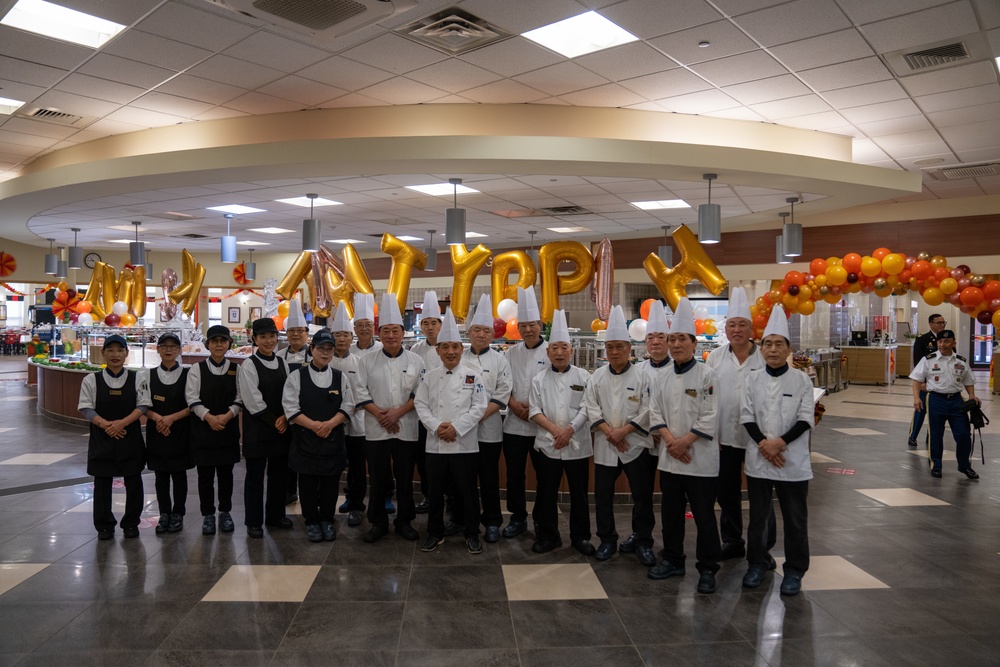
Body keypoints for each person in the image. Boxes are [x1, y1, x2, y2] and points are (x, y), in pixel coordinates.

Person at [647, 298, 721, 593]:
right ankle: (674, 559)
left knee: (703, 516)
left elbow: (711, 414)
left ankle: (708, 568)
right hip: (670, 458)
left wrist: (685, 442)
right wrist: (670, 441)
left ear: (694, 343)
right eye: (672, 339)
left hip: (699, 459)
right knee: (671, 513)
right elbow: (655, 411)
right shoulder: (661, 375)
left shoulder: (707, 375)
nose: (676, 344)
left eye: (682, 339)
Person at [740, 305, 815, 596]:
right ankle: (757, 563)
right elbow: (746, 417)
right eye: (767, 344)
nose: (772, 349)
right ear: (761, 349)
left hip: (792, 460)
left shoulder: (801, 380)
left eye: (778, 344)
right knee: (759, 516)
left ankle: (795, 570)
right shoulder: (752, 379)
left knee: (795, 518)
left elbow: (805, 419)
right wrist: (765, 445)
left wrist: (778, 444)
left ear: (788, 349)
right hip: (759, 460)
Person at [705, 287, 775, 561]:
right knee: (727, 494)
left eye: (742, 324)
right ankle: (732, 541)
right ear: (725, 328)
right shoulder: (715, 358)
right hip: (724, 439)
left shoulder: (765, 356)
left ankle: (764, 548)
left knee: (762, 497)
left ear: (751, 328)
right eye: (731, 325)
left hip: (758, 440)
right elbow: (708, 398)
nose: (736, 330)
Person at [583, 305, 655, 565]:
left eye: (620, 347)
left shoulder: (643, 376)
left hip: (635, 444)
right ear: (605, 350)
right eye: (610, 347)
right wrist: (609, 432)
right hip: (605, 446)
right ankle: (607, 539)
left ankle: (643, 540)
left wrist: (624, 430)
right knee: (603, 496)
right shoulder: (597, 377)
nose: (614, 352)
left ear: (629, 349)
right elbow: (591, 407)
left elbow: (649, 408)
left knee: (642, 496)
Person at [415, 309, 489, 554]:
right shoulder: (429, 376)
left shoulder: (473, 375)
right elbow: (420, 404)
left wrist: (456, 428)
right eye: (445, 347)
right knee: (435, 493)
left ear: (461, 348)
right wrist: (437, 427)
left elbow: (479, 406)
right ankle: (435, 533)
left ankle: (471, 533)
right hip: (435, 445)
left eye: (455, 347)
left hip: (464, 444)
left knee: (467, 492)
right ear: (438, 350)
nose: (450, 352)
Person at [354, 292, 424, 543]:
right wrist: (381, 415)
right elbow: (359, 391)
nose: (391, 335)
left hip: (406, 429)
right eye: (386, 331)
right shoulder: (367, 361)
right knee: (379, 478)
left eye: (395, 330)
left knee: (405, 479)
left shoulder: (416, 361)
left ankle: (404, 521)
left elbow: (420, 393)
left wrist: (397, 413)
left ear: (402, 333)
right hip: (375, 429)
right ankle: (378, 522)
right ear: (379, 333)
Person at [529, 309, 595, 556]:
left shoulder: (584, 377)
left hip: (576, 443)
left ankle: (581, 537)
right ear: (547, 352)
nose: (559, 352)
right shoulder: (538, 379)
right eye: (554, 348)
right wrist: (557, 431)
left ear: (572, 350)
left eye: (564, 348)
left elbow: (588, 407)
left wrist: (569, 430)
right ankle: (548, 537)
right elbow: (535, 411)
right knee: (546, 493)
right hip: (548, 444)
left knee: (579, 494)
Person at [283, 328, 353, 542]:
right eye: (321, 348)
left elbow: (349, 404)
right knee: (308, 484)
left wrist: (330, 424)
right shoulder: (296, 376)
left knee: (331, 484)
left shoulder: (340, 377)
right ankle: (312, 521)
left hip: (332, 440)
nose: (325, 353)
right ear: (312, 349)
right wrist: (315, 426)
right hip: (306, 441)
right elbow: (290, 407)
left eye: (329, 349)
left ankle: (327, 520)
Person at [78, 334, 149, 540]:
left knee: (133, 481)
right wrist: (106, 424)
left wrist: (121, 423)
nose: (115, 355)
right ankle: (104, 526)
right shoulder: (91, 379)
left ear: (127, 353)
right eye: (111, 350)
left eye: (120, 350)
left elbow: (143, 405)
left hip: (130, 436)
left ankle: (130, 523)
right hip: (102, 437)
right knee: (102, 482)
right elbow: (85, 407)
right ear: (103, 353)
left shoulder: (138, 378)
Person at [463, 294, 512, 543]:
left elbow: (503, 393)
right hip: (463, 432)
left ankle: (492, 521)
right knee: (465, 478)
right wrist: (467, 420)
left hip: (490, 429)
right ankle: (466, 520)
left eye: (486, 331)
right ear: (469, 332)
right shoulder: (459, 356)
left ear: (493, 335)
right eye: (477, 330)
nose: (481, 334)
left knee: (490, 477)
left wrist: (477, 416)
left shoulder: (500, 359)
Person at [237, 317, 293, 538]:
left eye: (272, 336)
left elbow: (290, 393)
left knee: (279, 476)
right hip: (259, 429)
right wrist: (277, 421)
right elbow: (252, 400)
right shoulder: (249, 364)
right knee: (255, 477)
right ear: (255, 339)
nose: (269, 341)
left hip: (281, 427)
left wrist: (286, 418)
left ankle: (275, 515)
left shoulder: (283, 363)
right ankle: (253, 521)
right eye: (263, 337)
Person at [623, 298, 670, 556]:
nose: (654, 342)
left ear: (669, 340)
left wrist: (664, 434)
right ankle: (642, 539)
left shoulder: (679, 369)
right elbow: (635, 406)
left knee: (671, 497)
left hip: (669, 443)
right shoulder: (637, 370)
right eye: (650, 337)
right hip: (642, 441)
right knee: (641, 495)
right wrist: (647, 432)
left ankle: (670, 541)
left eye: (660, 337)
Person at [185, 325, 242, 536]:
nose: (219, 344)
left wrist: (227, 416)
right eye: (214, 341)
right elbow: (192, 398)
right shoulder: (197, 369)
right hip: (203, 430)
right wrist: (209, 417)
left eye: (223, 341)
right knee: (205, 477)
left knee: (227, 475)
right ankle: (207, 515)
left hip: (227, 428)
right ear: (207, 344)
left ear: (229, 344)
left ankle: (225, 512)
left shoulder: (237, 369)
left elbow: (240, 396)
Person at [501, 286, 548, 539]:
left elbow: (556, 386)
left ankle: (541, 518)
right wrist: (512, 403)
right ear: (518, 328)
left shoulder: (553, 351)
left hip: (542, 426)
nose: (528, 330)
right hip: (514, 426)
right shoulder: (510, 353)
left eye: (532, 324)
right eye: (524, 325)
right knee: (514, 476)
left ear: (540, 325)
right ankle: (517, 518)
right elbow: (502, 385)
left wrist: (535, 409)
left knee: (543, 477)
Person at [910, 328, 981, 479]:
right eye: (940, 341)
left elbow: (968, 380)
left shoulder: (960, 361)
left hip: (956, 401)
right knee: (936, 435)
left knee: (963, 435)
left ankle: (964, 466)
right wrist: (917, 398)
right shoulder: (928, 359)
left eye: (947, 341)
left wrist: (972, 395)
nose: (943, 344)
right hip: (935, 400)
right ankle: (936, 465)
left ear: (953, 343)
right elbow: (917, 379)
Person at [143, 332, 192, 535]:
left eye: (173, 346)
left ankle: (178, 513)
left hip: (180, 430)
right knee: (160, 476)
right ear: (158, 349)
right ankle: (164, 513)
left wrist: (171, 418)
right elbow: (143, 404)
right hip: (157, 430)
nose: (169, 349)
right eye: (165, 346)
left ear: (180, 350)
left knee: (180, 475)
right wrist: (158, 419)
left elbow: (193, 404)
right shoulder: (147, 375)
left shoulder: (189, 374)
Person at [328, 302, 367, 528]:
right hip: (330, 424)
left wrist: (348, 411)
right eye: (338, 335)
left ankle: (356, 506)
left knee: (357, 467)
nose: (341, 339)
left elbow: (363, 392)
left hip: (356, 422)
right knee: (332, 466)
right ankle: (328, 505)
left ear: (351, 339)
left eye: (345, 335)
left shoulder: (359, 362)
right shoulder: (325, 360)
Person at [408, 290, 444, 514]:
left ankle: (449, 497)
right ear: (421, 326)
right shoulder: (415, 350)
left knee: (447, 460)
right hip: (421, 414)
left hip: (448, 413)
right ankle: (428, 496)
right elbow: (412, 384)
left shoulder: (452, 347)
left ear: (441, 325)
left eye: (434, 323)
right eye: (426, 323)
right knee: (424, 459)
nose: (430, 327)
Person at [278, 299, 311, 505]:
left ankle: (309, 492)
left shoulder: (315, 355)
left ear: (307, 333)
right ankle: (289, 490)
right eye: (292, 331)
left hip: (309, 414)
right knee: (287, 455)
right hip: (286, 414)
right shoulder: (279, 357)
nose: (296, 334)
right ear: (286, 334)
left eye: (300, 330)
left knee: (308, 455)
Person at [908, 313, 946, 448]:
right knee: (921, 409)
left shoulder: (947, 339)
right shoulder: (923, 339)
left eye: (943, 322)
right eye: (939, 322)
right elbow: (918, 361)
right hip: (926, 382)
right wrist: (921, 382)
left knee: (935, 413)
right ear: (931, 324)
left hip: (940, 383)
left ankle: (931, 436)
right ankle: (913, 436)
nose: (942, 325)